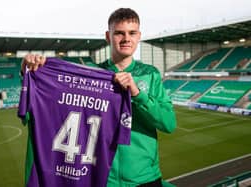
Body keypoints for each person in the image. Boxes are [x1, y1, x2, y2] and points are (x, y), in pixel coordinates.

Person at [21, 8, 176, 187]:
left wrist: (137, 94)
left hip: (145, 178)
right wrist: (31, 71)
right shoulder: (89, 75)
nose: (126, 38)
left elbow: (169, 123)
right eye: (119, 33)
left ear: (139, 36)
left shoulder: (151, 74)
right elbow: (47, 104)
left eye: (132, 33)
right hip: (103, 179)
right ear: (108, 36)